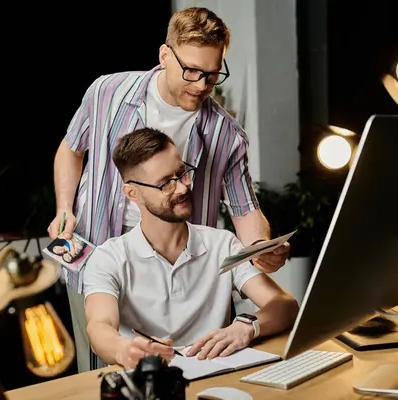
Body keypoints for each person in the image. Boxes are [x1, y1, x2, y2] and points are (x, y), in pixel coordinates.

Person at [47, 6, 291, 372]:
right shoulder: (107, 92)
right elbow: (71, 148)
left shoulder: (225, 134)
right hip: (99, 252)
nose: (201, 85)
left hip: (187, 264)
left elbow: (244, 209)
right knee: (105, 368)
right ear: (165, 55)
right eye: (191, 71)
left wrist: (259, 249)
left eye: (212, 75)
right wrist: (65, 209)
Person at [83, 128, 299, 369]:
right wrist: (124, 350)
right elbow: (99, 327)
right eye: (165, 184)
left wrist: (247, 326)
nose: (182, 188)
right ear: (133, 193)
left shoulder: (222, 245)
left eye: (182, 174)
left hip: (220, 376)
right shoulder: (108, 258)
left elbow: (284, 305)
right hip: (152, 382)